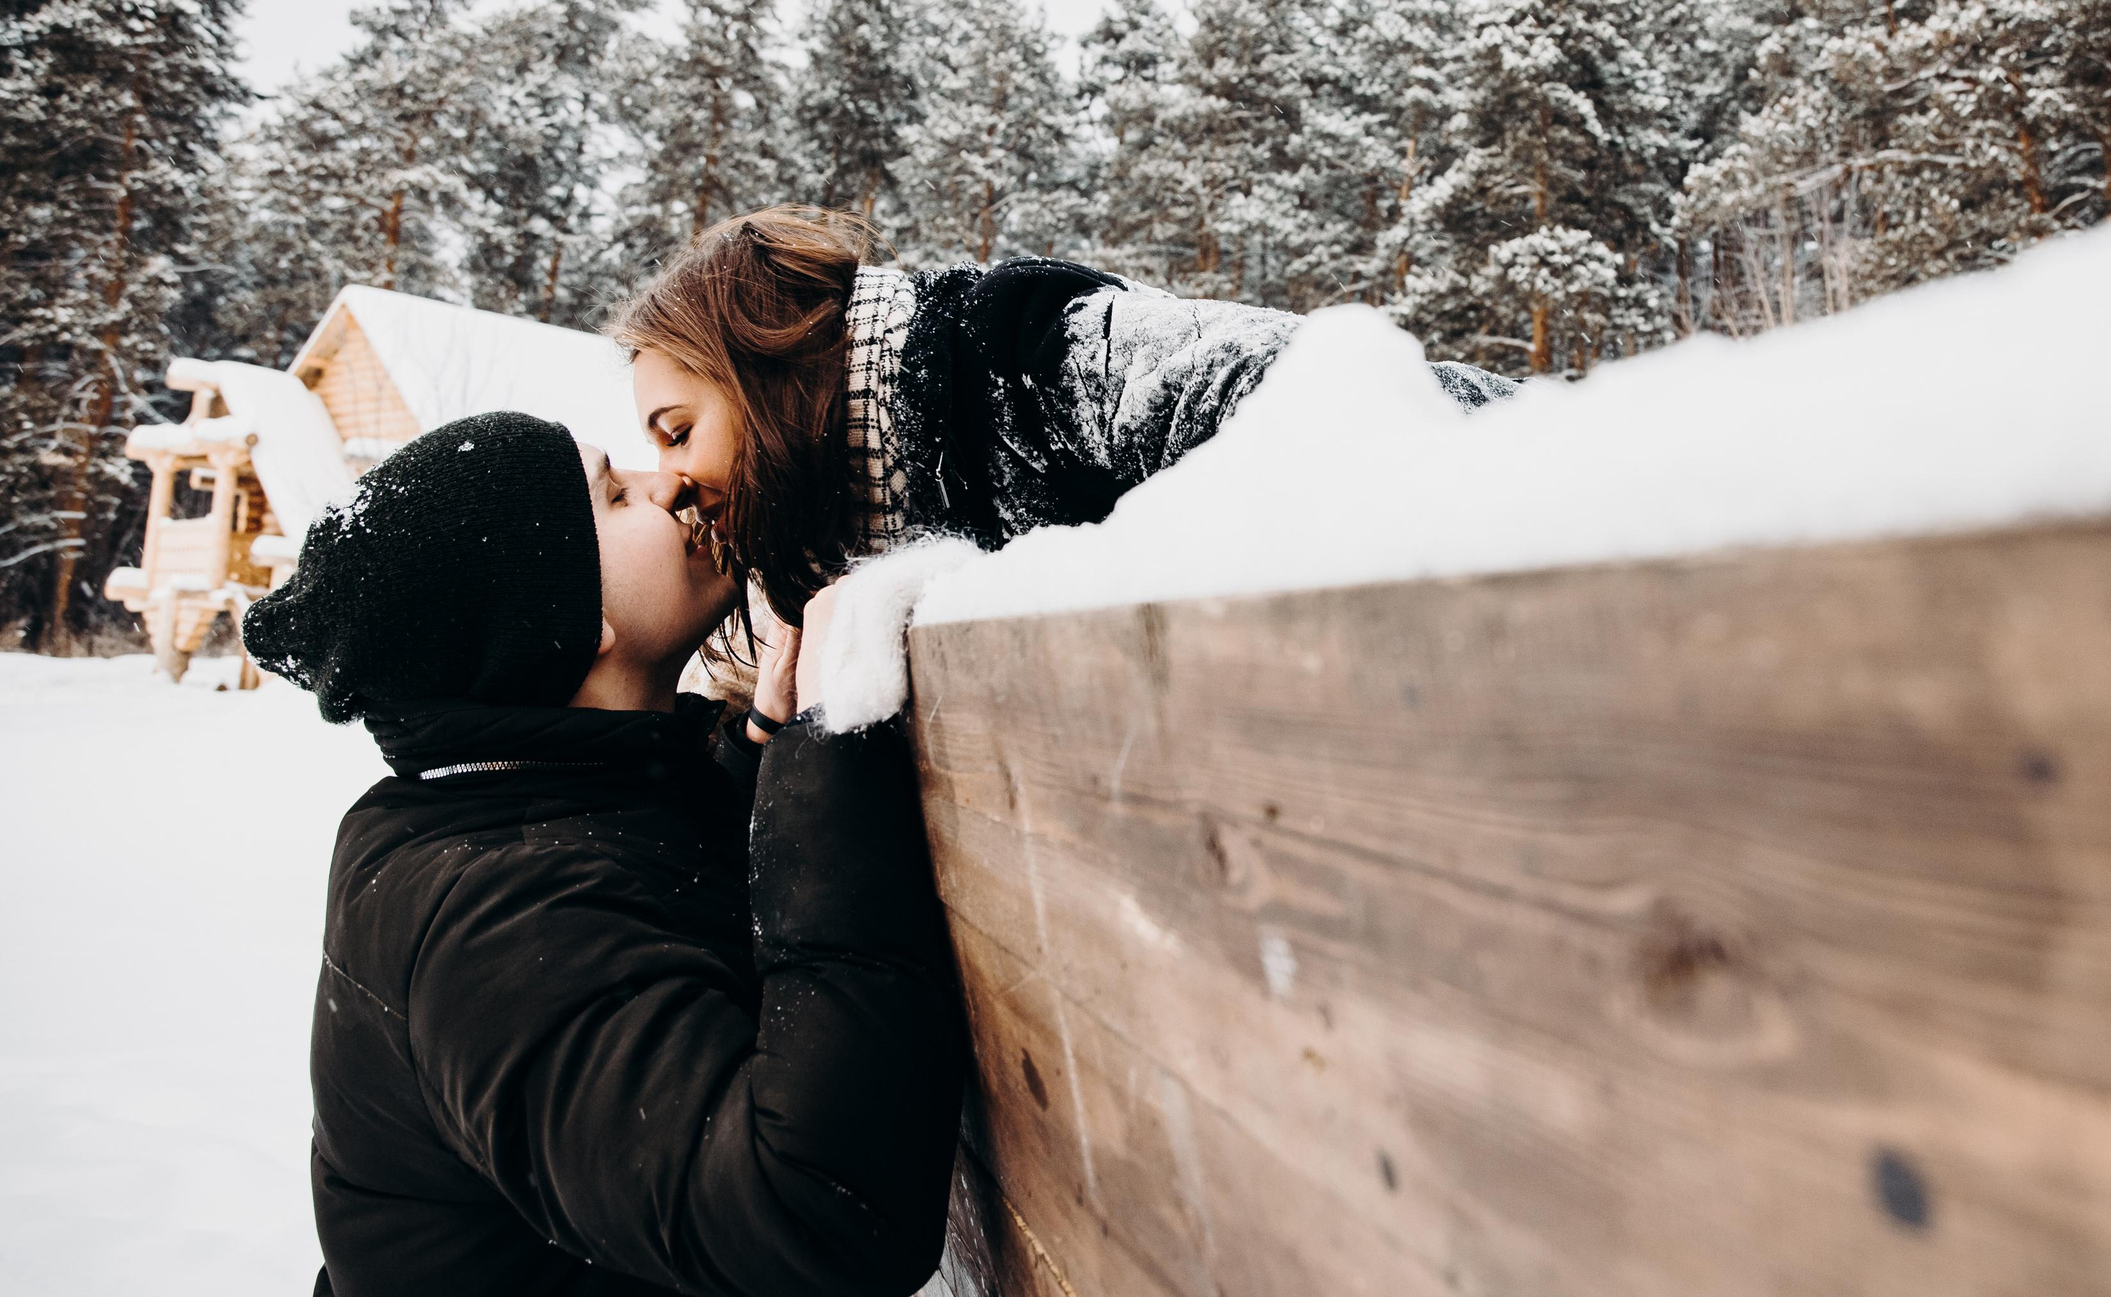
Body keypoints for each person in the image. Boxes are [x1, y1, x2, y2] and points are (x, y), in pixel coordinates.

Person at [240, 409, 964, 1297]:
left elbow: (634, 888)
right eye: (617, 495)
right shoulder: (490, 926)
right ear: (570, 627)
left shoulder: (490, 798)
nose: (667, 484)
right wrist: (827, 756)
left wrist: (765, 746)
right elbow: (808, 1217)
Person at [612, 206, 1517, 629]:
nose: (668, 480)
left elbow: (1341, 398)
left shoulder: (1022, 354)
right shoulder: (845, 560)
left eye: (679, 429)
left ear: (772, 375)